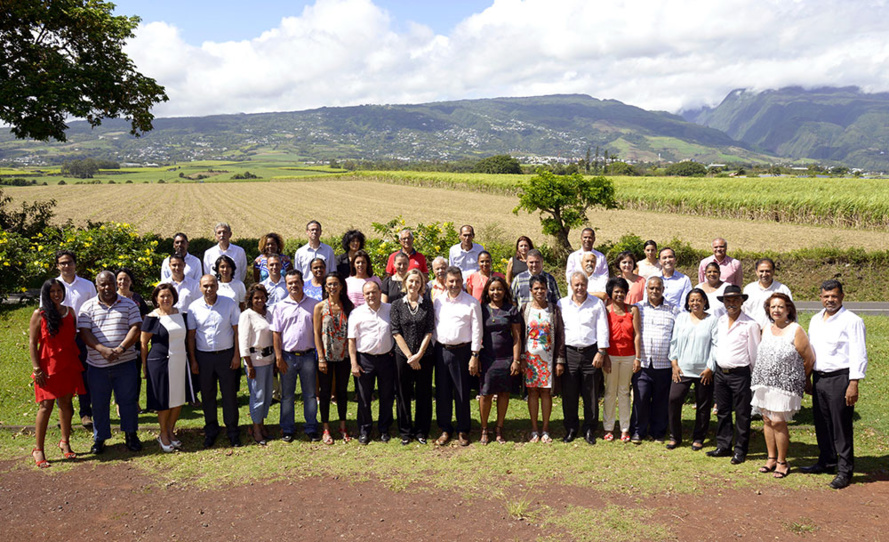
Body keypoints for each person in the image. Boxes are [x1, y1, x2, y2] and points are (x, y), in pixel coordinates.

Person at [802, 280, 868, 490]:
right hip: (819, 377)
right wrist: (808, 377)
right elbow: (811, 350)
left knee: (841, 426)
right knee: (822, 422)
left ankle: (845, 470)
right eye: (826, 296)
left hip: (840, 378)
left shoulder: (852, 321)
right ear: (820, 297)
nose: (830, 300)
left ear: (842, 296)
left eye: (834, 296)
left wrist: (853, 383)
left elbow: (859, 353)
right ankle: (827, 461)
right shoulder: (815, 320)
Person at [78, 270, 142, 454]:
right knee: (99, 403)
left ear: (116, 284)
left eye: (110, 283)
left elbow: (136, 328)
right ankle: (100, 438)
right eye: (102, 284)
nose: (107, 287)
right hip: (97, 365)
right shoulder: (87, 307)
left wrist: (121, 348)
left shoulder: (129, 305)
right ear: (96, 286)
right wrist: (102, 349)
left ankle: (131, 435)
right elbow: (84, 332)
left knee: (128, 401)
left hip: (125, 363)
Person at [751, 293, 815, 479]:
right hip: (764, 383)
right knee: (767, 420)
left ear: (788, 310)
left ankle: (782, 461)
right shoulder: (766, 328)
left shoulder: (796, 329)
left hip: (786, 385)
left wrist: (802, 379)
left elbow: (808, 358)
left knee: (778, 420)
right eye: (773, 307)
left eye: (780, 307)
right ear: (768, 310)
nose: (776, 310)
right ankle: (770, 458)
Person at [28, 279, 86, 467]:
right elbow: (32, 342)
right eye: (52, 291)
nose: (56, 294)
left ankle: (65, 442)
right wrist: (36, 368)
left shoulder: (70, 312)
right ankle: (38, 449)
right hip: (47, 368)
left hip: (68, 364)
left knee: (66, 403)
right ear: (46, 293)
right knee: (45, 406)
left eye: (59, 290)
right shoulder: (39, 314)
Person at [187, 274, 242, 448]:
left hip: (226, 356)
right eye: (205, 286)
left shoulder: (229, 304)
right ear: (200, 288)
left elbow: (237, 331)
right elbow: (191, 337)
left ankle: (232, 431)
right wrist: (193, 360)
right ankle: (211, 430)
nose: (209, 289)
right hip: (204, 357)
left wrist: (236, 355)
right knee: (208, 395)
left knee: (229, 395)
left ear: (217, 286)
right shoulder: (193, 308)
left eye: (212, 285)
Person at [707, 285, 760, 464]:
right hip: (721, 373)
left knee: (742, 413)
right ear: (723, 302)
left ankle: (740, 449)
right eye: (728, 300)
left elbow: (754, 353)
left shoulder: (750, 324)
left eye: (735, 300)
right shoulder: (720, 321)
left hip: (741, 374)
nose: (732, 303)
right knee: (722, 411)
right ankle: (723, 445)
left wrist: (753, 377)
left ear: (741, 301)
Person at [141, 283, 193, 452]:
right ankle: (163, 434)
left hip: (179, 361)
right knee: (163, 401)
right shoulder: (152, 317)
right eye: (162, 296)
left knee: (178, 399)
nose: (166, 299)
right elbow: (143, 342)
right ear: (156, 299)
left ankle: (171, 431)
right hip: (159, 363)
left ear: (174, 297)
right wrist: (144, 366)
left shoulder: (182, 315)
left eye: (169, 296)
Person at [433, 266, 482, 447]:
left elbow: (477, 330)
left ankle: (463, 429)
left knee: (462, 392)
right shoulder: (438, 302)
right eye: (451, 281)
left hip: (463, 352)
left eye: (457, 281)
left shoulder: (471, 302)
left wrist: (474, 355)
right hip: (441, 351)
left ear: (462, 282)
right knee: (442, 391)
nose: (454, 284)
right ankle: (445, 428)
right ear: (445, 282)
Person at [558, 272, 609, 444]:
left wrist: (601, 352)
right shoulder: (562, 304)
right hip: (569, 352)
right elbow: (559, 331)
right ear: (571, 285)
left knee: (591, 394)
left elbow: (602, 328)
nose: (579, 288)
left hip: (591, 353)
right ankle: (571, 429)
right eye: (576, 285)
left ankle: (589, 429)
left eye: (582, 284)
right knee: (569, 394)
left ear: (587, 285)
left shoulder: (597, 304)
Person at [271, 269, 320, 442]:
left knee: (310, 394)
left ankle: (311, 427)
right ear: (286, 285)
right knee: (287, 395)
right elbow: (276, 333)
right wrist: (278, 357)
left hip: (308, 356)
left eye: (296, 282)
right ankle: (287, 428)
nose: (293, 285)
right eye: (290, 283)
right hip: (288, 357)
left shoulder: (314, 304)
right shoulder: (280, 306)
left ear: (302, 283)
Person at [667, 289, 718, 451]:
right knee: (674, 400)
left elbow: (715, 345)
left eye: (698, 300)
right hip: (682, 369)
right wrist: (674, 364)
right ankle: (675, 436)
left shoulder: (713, 320)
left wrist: (711, 367)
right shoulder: (681, 318)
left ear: (705, 302)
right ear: (688, 303)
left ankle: (699, 437)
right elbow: (673, 342)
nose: (695, 303)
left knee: (703, 406)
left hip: (704, 371)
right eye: (692, 300)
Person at [390, 270, 435, 445]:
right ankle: (405, 431)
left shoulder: (427, 305)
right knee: (403, 393)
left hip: (425, 355)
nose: (414, 285)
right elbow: (395, 332)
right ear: (405, 283)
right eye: (411, 281)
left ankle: (422, 431)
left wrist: (419, 356)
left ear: (422, 285)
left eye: (417, 282)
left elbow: (429, 330)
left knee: (424, 393)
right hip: (403, 356)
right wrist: (410, 356)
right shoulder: (396, 305)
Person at [630, 276, 678, 443]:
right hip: (643, 362)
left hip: (664, 363)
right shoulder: (638, 308)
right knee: (641, 397)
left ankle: (658, 432)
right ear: (646, 290)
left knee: (660, 399)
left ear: (663, 289)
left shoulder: (673, 310)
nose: (654, 291)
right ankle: (638, 431)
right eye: (651, 288)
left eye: (658, 288)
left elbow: (676, 337)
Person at [348, 281, 396, 444]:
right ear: (363, 296)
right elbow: (352, 340)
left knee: (387, 396)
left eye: (374, 292)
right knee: (363, 397)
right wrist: (354, 363)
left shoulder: (390, 309)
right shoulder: (356, 313)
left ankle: (384, 428)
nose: (371, 296)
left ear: (379, 292)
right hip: (365, 360)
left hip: (386, 359)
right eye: (367, 293)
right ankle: (364, 429)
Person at [521, 274, 566, 443]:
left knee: (546, 392)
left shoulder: (553, 309)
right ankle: (534, 429)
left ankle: (545, 429)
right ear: (531, 290)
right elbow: (519, 335)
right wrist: (522, 358)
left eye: (542, 288)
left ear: (547, 290)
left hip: (547, 358)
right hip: (531, 359)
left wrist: (559, 360)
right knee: (532, 391)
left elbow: (560, 335)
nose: (540, 291)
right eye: (536, 288)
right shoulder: (525, 309)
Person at [476, 276, 522, 444]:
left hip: (506, 358)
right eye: (493, 289)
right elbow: (476, 334)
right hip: (487, 358)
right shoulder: (481, 309)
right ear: (487, 291)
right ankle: (484, 429)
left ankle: (499, 429)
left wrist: (516, 360)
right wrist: (476, 357)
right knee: (485, 394)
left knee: (504, 393)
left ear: (505, 291)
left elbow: (517, 337)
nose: (496, 292)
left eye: (500, 289)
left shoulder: (512, 310)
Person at [54, 249, 96, 428]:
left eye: (69, 262)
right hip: (60, 339)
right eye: (63, 263)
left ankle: (86, 412)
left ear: (75, 264)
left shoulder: (87, 286)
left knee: (85, 375)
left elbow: (95, 308)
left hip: (82, 336)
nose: (66, 266)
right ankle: (65, 415)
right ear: (57, 266)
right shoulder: (52, 286)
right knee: (62, 376)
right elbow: (44, 312)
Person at [314, 272, 355, 444]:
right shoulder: (320, 307)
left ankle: (343, 426)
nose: (333, 287)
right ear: (325, 287)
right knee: (324, 393)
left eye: (335, 284)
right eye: (329, 284)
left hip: (344, 356)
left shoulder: (348, 306)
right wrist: (321, 357)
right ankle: (325, 428)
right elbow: (316, 333)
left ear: (341, 286)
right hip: (327, 356)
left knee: (342, 392)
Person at [603, 277, 641, 443]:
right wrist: (604, 356)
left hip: (628, 356)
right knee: (610, 391)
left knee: (624, 392)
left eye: (622, 291)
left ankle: (625, 429)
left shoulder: (632, 310)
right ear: (611, 293)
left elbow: (637, 334)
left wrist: (637, 357)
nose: (619, 294)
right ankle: (608, 428)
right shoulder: (605, 310)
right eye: (616, 291)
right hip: (610, 356)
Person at [239, 284, 276, 446]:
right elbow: (243, 342)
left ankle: (261, 423)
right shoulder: (247, 315)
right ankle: (256, 428)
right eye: (256, 298)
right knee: (258, 396)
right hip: (255, 361)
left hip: (269, 360)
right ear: (250, 300)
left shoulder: (268, 314)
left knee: (268, 395)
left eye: (262, 297)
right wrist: (249, 365)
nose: (260, 300)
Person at [742, 258, 793, 330]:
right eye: (761, 271)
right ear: (756, 272)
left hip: (775, 331)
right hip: (752, 331)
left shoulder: (783, 289)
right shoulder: (749, 289)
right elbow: (744, 311)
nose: (764, 274)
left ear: (773, 271)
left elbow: (791, 313)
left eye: (767, 271)